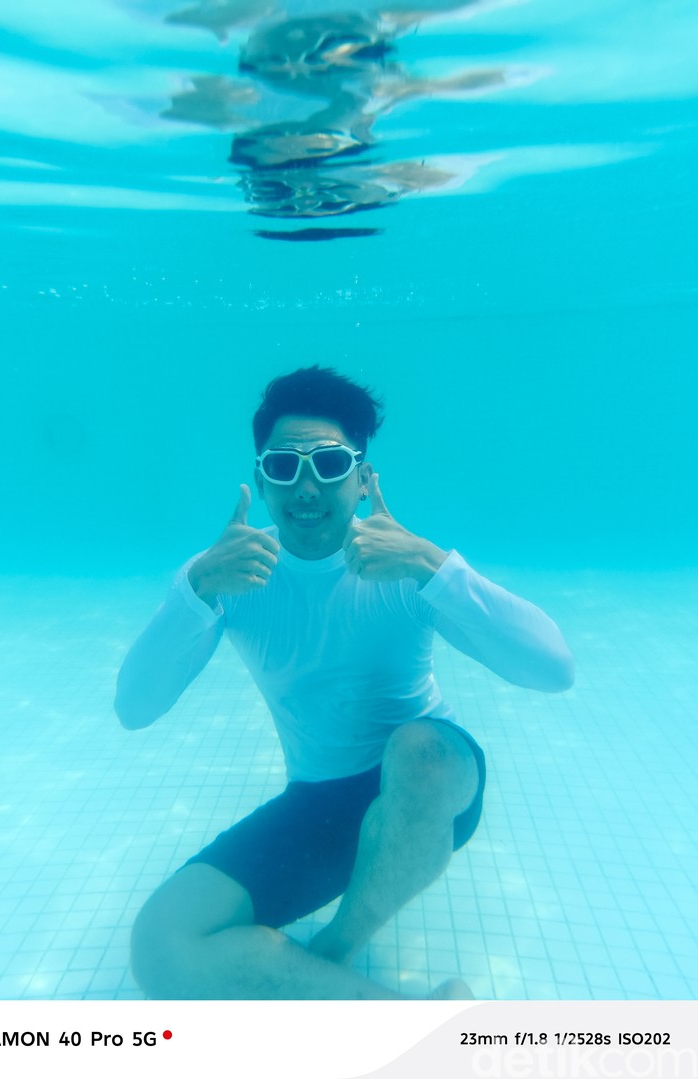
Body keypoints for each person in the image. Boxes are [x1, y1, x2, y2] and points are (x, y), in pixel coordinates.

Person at [115, 366, 574, 999]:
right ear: (261, 482)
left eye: (329, 464)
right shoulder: (228, 576)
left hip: (432, 784)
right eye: (284, 467)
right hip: (321, 802)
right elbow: (135, 708)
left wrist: (432, 567)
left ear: (363, 480)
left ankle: (337, 946)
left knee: (421, 753)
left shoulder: (405, 564)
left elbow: (554, 669)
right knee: (162, 949)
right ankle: (422, 1021)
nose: (306, 487)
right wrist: (193, 594)